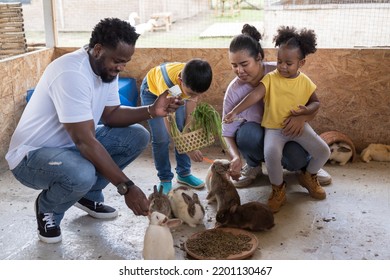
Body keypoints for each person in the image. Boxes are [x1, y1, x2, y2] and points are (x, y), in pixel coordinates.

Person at [5, 18, 183, 244]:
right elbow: (85, 142)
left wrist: (151, 110)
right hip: (32, 156)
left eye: (125, 62)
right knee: (82, 173)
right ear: (98, 50)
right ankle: (48, 208)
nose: (121, 67)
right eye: (118, 61)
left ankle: (87, 194)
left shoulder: (106, 70)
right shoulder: (71, 73)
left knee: (138, 135)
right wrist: (127, 187)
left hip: (69, 147)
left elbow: (111, 114)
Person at [224, 25, 331, 212]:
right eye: (279, 61)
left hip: (296, 126)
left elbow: (316, 103)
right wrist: (234, 111)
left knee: (323, 151)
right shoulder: (272, 77)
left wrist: (304, 115)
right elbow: (255, 96)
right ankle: (277, 188)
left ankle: (308, 175)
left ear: (301, 63)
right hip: (273, 129)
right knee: (271, 153)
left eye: (288, 63)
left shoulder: (303, 80)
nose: (282, 66)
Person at [140, 59, 213, 194]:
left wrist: (188, 134)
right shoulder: (169, 87)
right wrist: (187, 149)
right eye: (191, 93)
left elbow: (191, 107)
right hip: (153, 93)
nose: (194, 96)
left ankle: (184, 174)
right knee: (161, 138)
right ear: (180, 80)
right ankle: (165, 178)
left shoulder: (194, 80)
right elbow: (170, 123)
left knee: (182, 128)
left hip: (176, 93)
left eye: (198, 93)